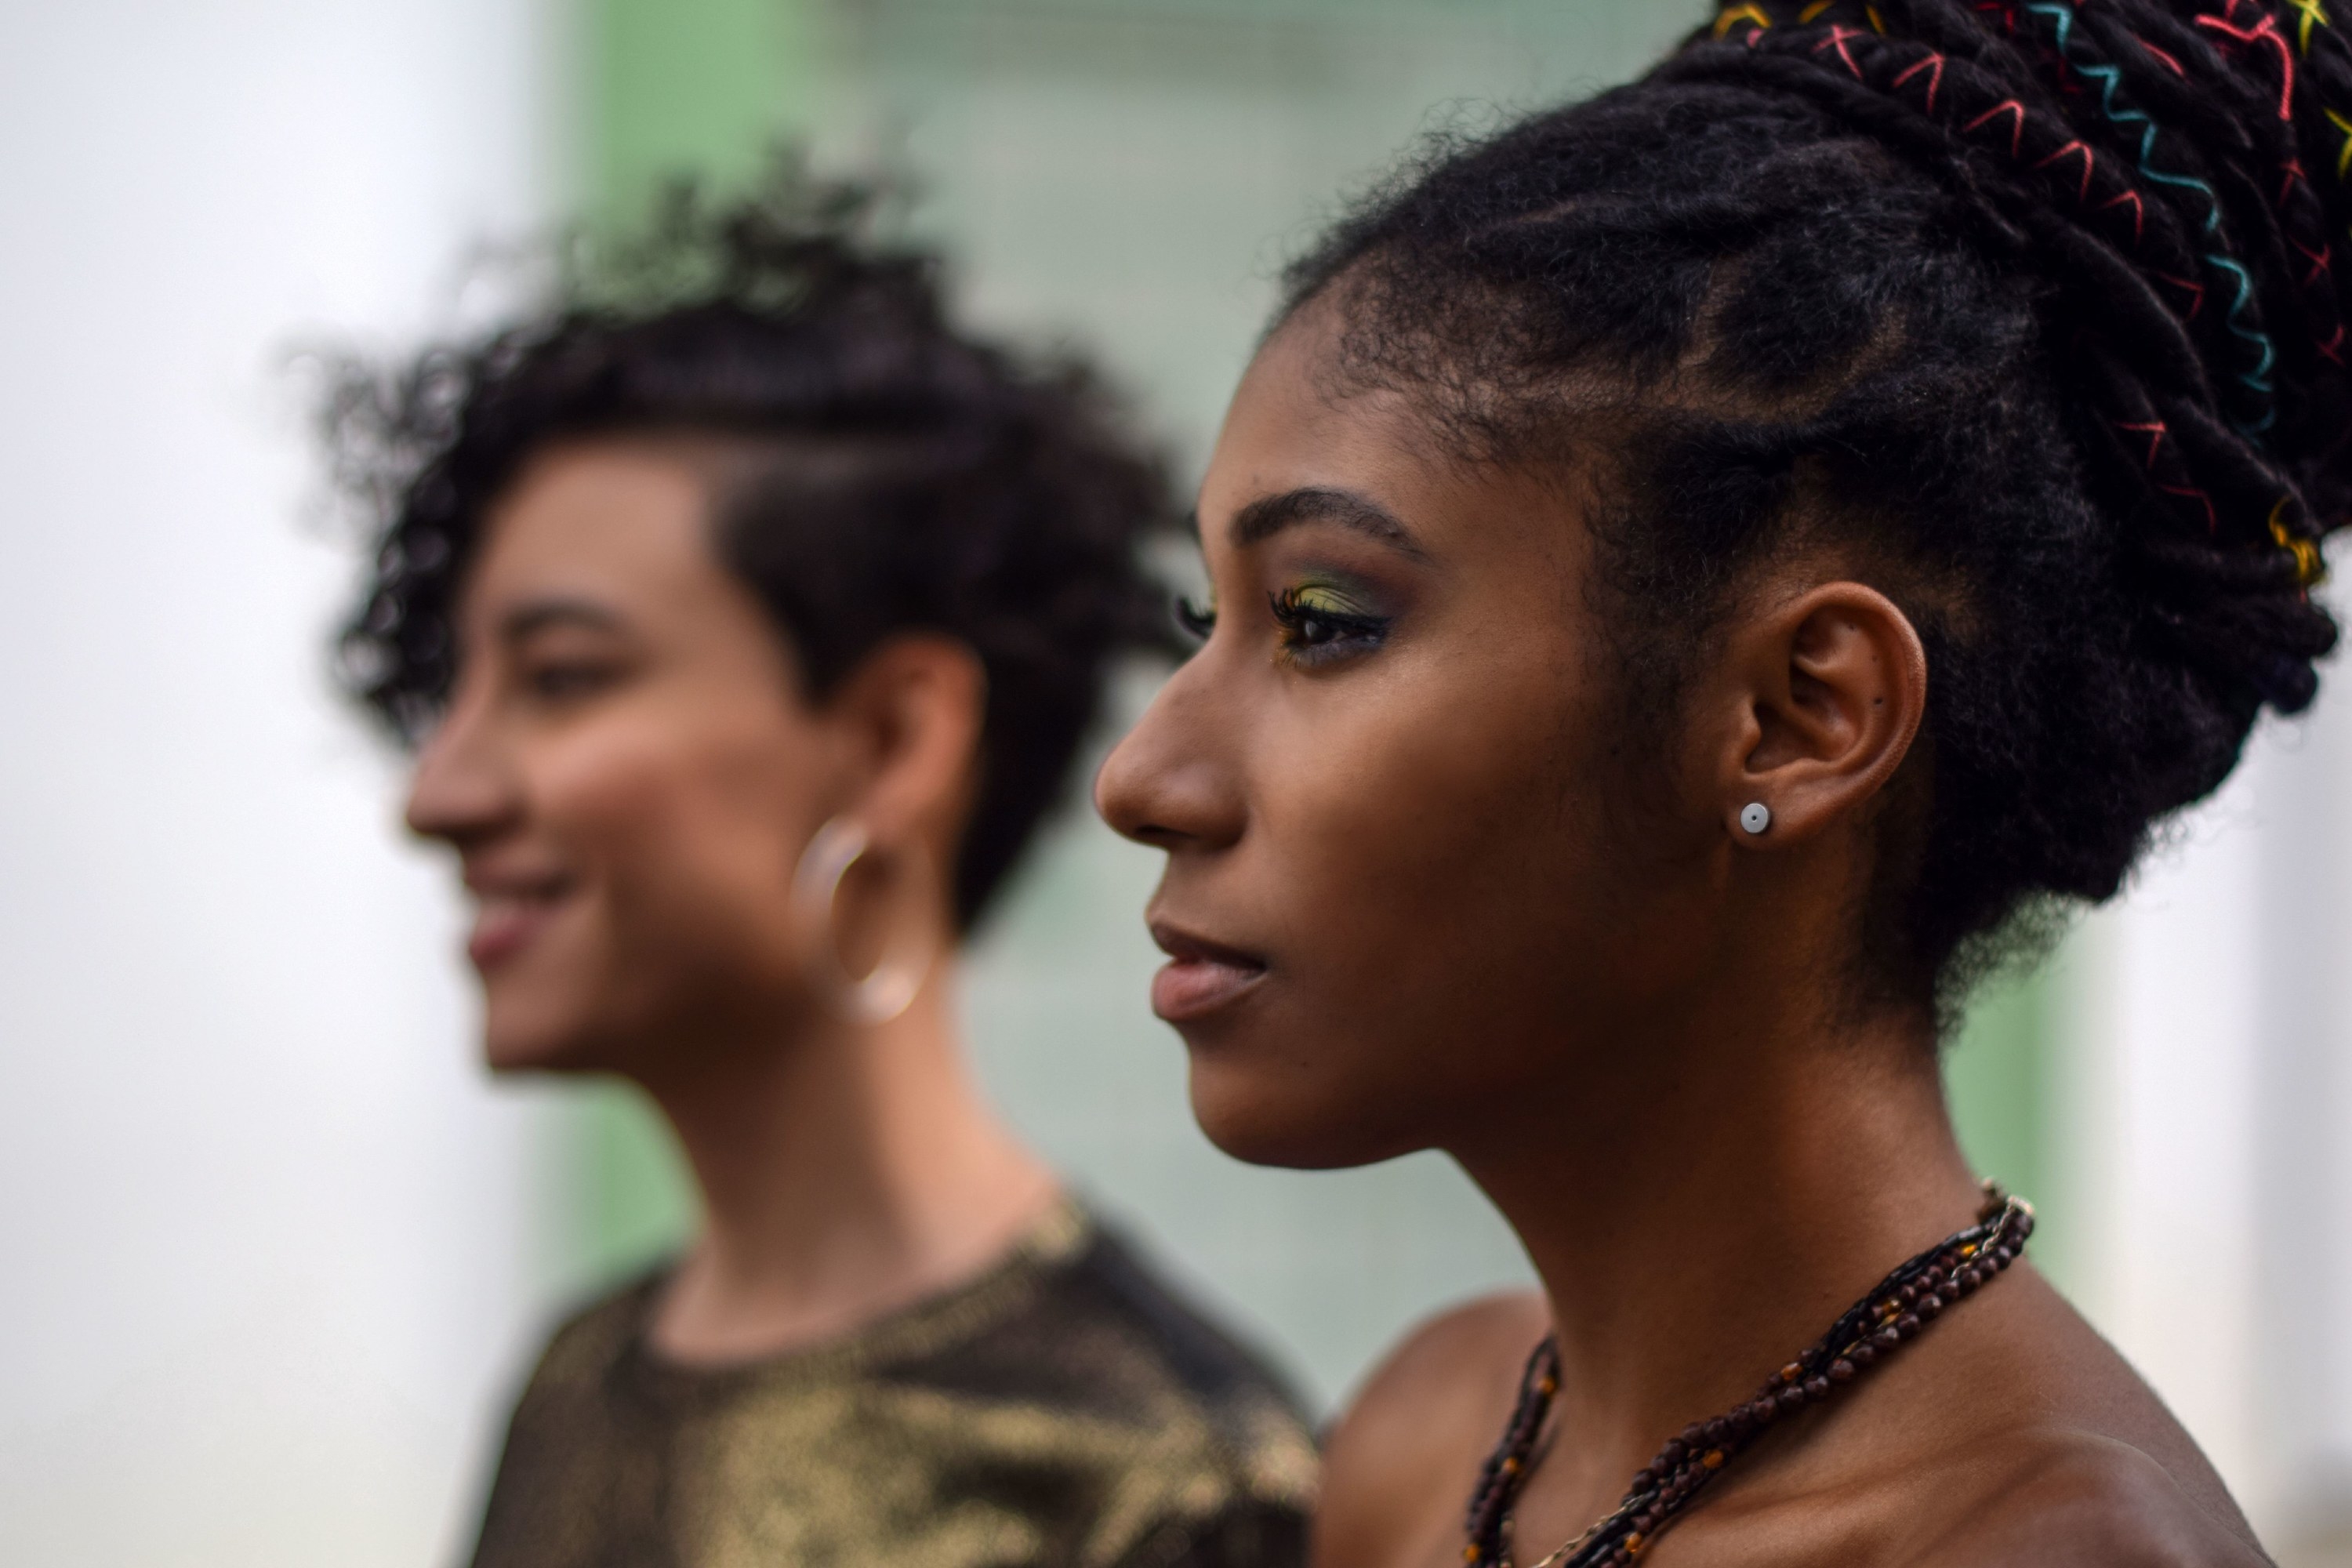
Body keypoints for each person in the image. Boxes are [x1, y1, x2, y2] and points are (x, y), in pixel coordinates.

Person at [1094, 2, 2342, 1563]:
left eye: (1322, 624)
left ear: (1801, 715)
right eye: (1204, 624)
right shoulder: (1434, 1440)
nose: (1145, 776)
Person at [325, 182, 1316, 1568]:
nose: (440, 795)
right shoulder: (575, 1386)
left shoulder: (1156, 1480)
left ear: (894, 737)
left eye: (562, 678)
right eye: (454, 692)